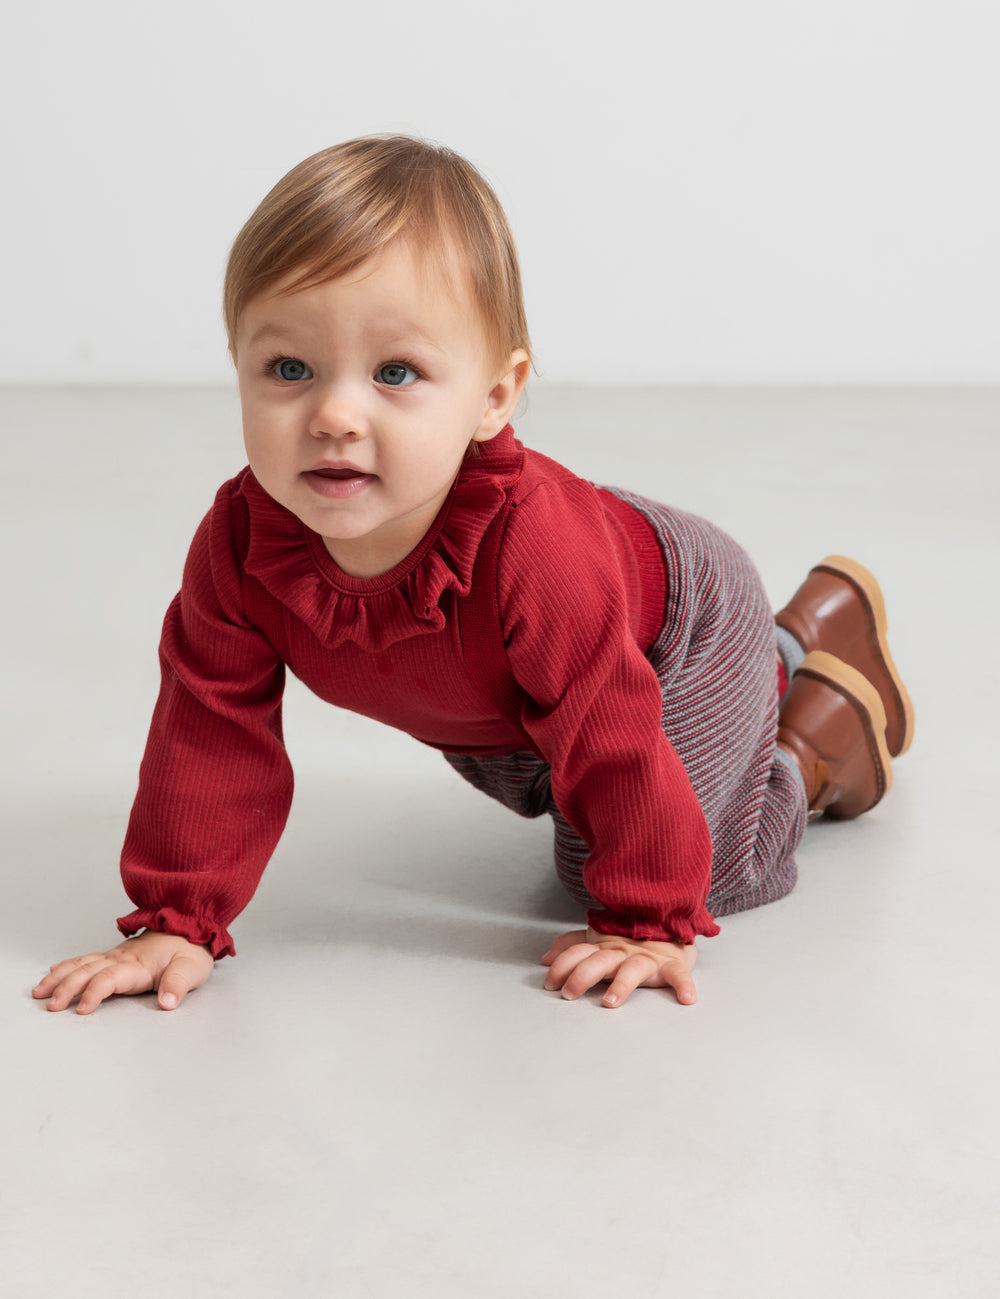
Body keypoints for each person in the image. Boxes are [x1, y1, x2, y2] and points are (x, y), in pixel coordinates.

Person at [33, 136, 914, 1016]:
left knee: (671, 867)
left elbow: (609, 732)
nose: (335, 414)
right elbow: (210, 726)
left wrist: (647, 918)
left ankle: (814, 736)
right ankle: (802, 636)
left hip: (677, 626)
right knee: (553, 789)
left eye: (396, 372)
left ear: (496, 395)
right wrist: (177, 919)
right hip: (503, 695)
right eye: (289, 369)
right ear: (238, 368)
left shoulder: (534, 551)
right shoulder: (240, 544)